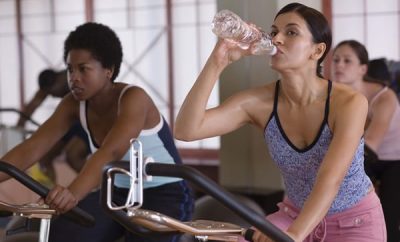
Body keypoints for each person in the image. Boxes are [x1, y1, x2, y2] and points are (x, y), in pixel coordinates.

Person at [175, 3, 386, 242]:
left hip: (353, 222)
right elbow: (186, 130)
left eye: (291, 32)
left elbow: (330, 179)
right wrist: (218, 62)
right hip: (293, 216)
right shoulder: (258, 102)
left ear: (317, 51)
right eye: (274, 32)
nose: (276, 39)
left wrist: (294, 235)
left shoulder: (349, 103)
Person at [0, 22, 193, 242]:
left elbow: (111, 152)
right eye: (70, 69)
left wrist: (72, 193)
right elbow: (32, 147)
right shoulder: (72, 105)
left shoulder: (133, 98)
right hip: (116, 194)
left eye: (83, 69)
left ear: (108, 70)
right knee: (62, 236)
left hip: (165, 193)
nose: (74, 77)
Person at [332, 39, 400, 242]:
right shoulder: (333, 93)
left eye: (347, 61)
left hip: (392, 159)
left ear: (363, 69)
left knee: (388, 217)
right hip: (358, 156)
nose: (339, 66)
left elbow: (370, 144)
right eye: (335, 60)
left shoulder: (384, 97)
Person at [17, 68, 90, 184]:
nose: (52, 96)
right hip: (73, 121)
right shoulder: (50, 84)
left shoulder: (75, 79)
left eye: (52, 93)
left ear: (58, 81)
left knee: (73, 155)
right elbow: (32, 105)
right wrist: (18, 128)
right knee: (45, 157)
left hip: (89, 119)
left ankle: (98, 186)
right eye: (49, 94)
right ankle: (49, 193)